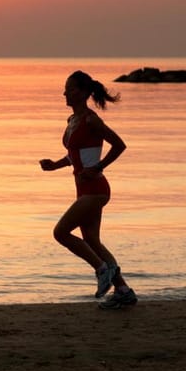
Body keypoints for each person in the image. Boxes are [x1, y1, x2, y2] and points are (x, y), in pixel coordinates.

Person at [39, 71, 137, 309]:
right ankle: (123, 291)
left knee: (60, 232)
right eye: (65, 88)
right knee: (91, 239)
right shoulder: (71, 121)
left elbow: (119, 145)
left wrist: (98, 167)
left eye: (70, 89)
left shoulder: (91, 120)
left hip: (96, 189)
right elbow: (75, 155)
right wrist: (55, 165)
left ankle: (101, 269)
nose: (65, 93)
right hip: (84, 190)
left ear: (83, 93)